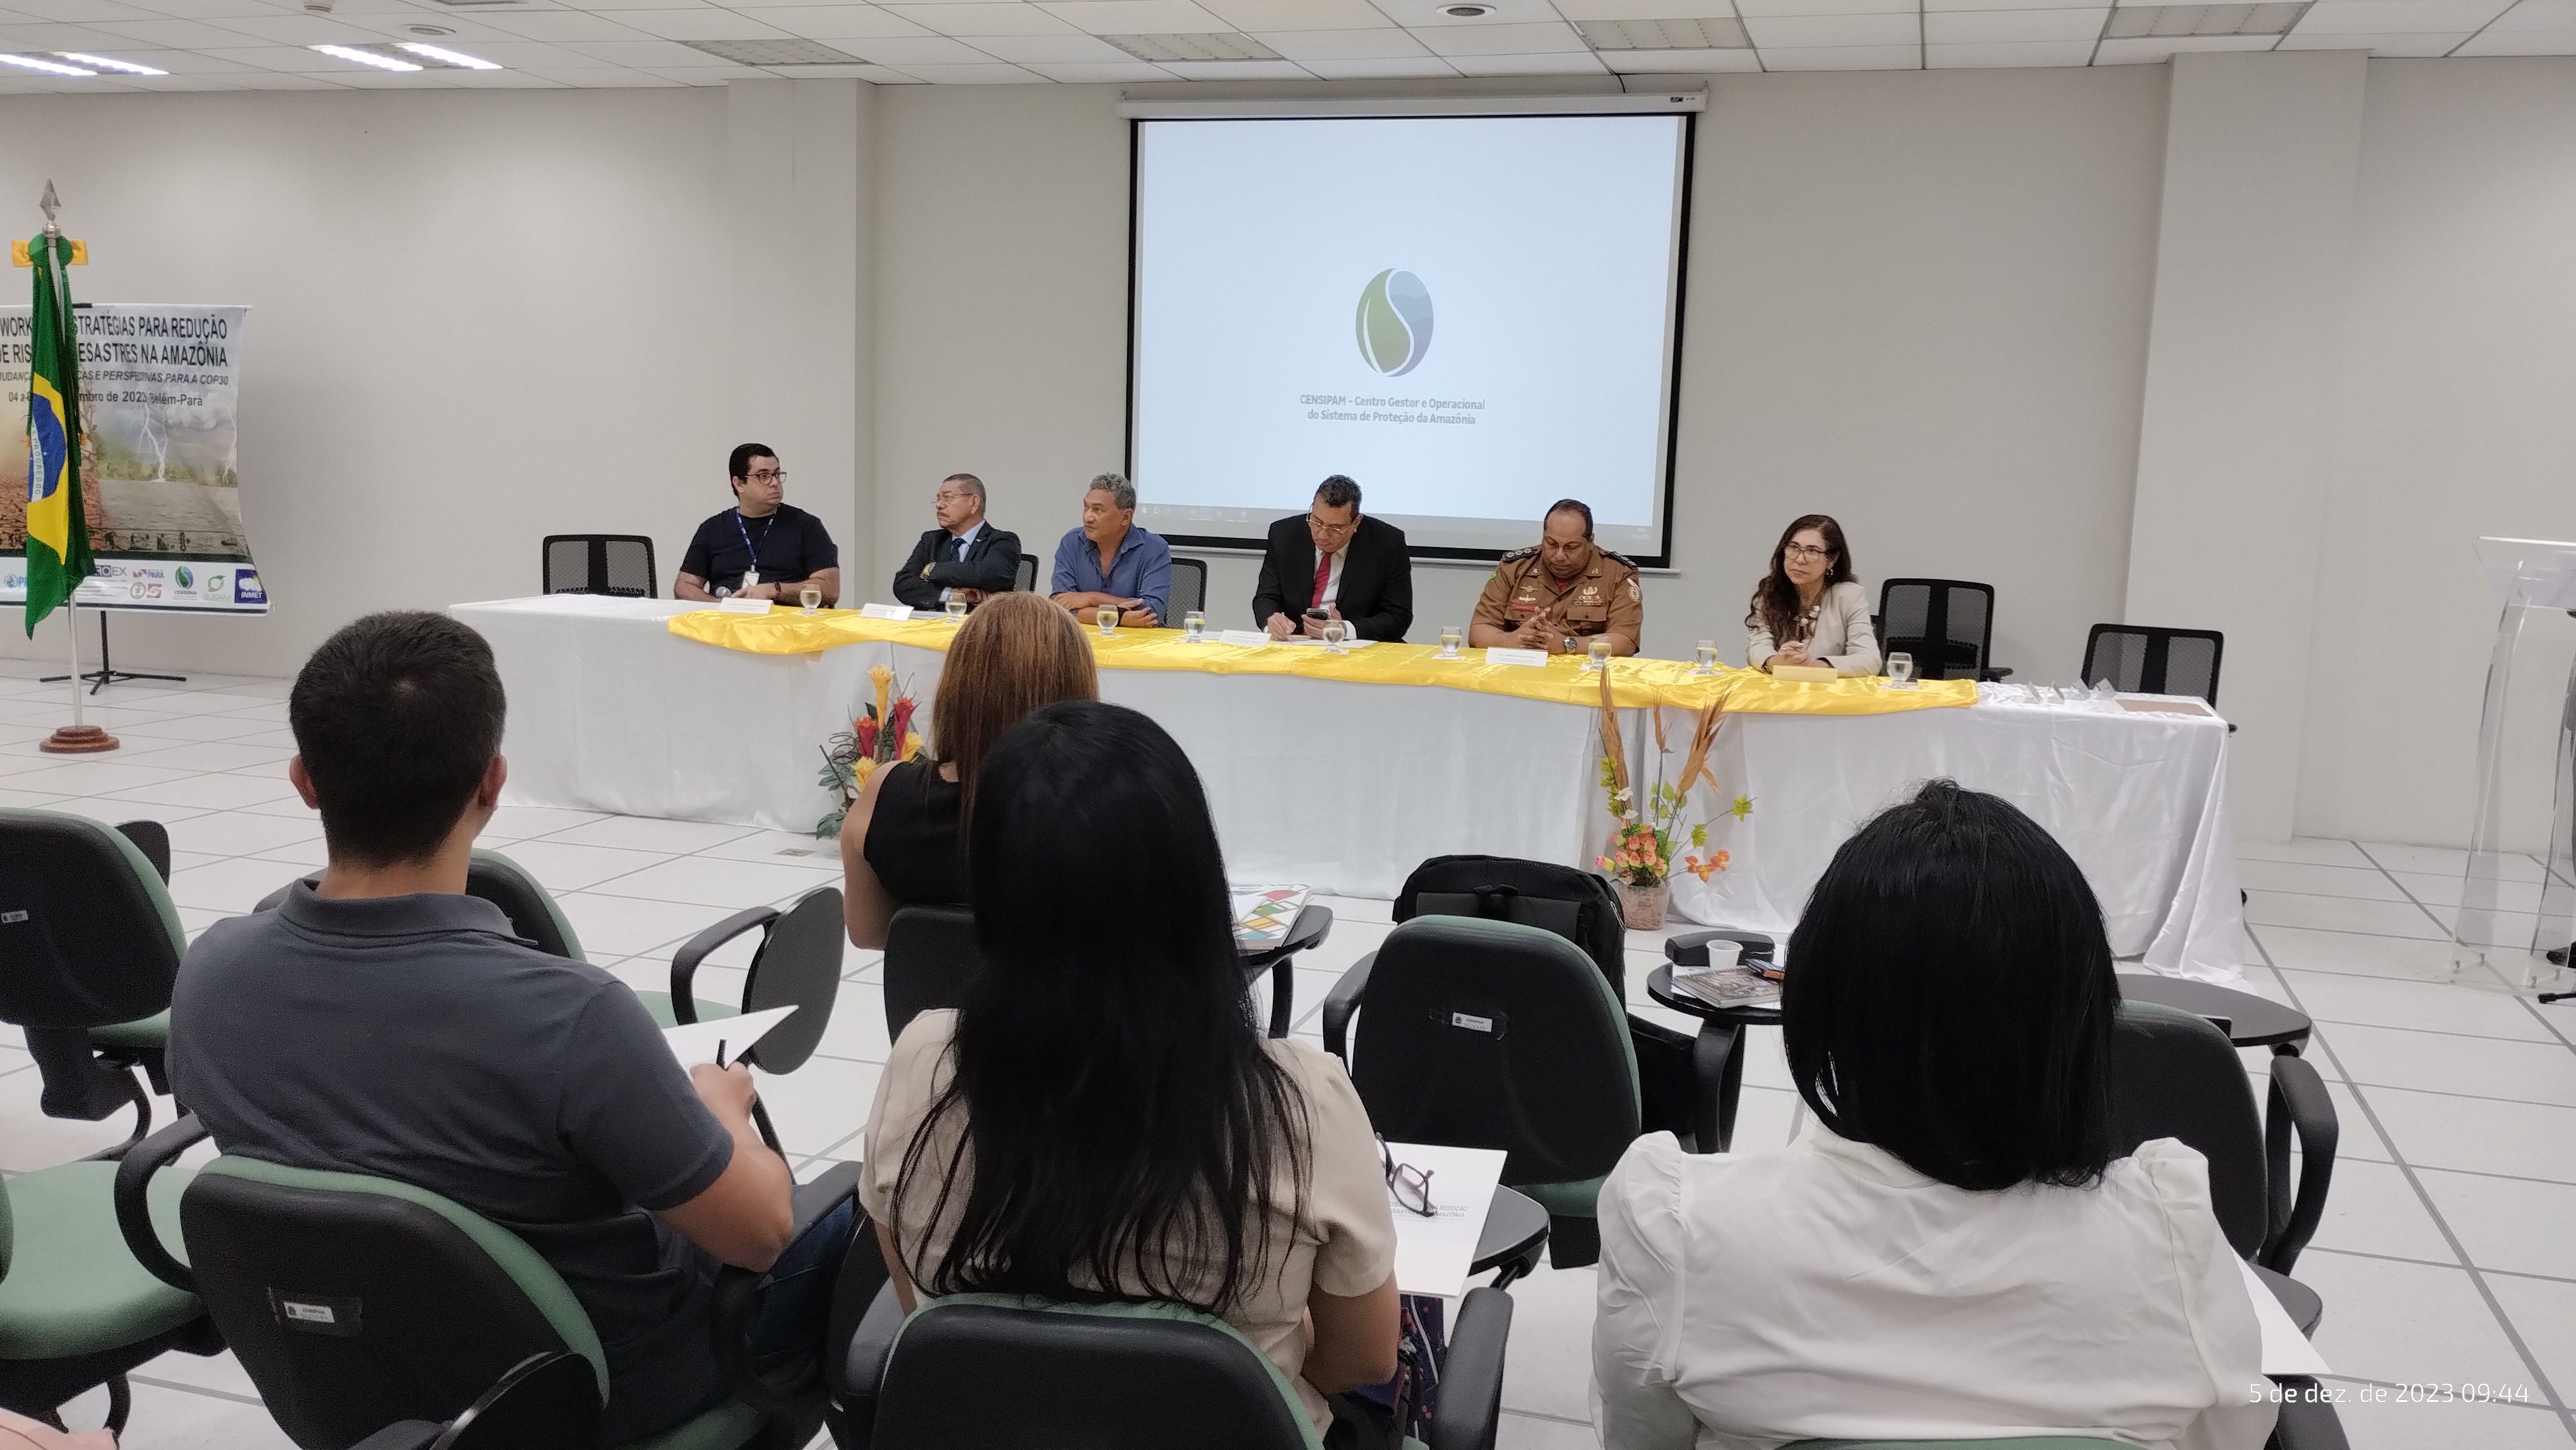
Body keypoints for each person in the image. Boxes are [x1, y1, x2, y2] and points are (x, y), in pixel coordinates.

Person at [168, 613, 850, 1445]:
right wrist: (722, 1110)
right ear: (491, 784)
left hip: (356, 1376)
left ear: (304, 781)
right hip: (604, 1391)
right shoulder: (571, 1019)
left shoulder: (209, 975)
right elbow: (760, 1233)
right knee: (853, 1209)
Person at [1592, 781, 2274, 1450]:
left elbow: (1641, 1438)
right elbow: (2237, 1433)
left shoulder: (1679, 1230)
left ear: (1823, 1011)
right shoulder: (2171, 1235)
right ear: (2083, 1020)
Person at [860, 700, 1400, 1446]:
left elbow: (922, 1306)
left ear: (993, 890)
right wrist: (1271, 1342)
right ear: (1196, 886)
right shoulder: (1303, 1102)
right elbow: (1363, 1359)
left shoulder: (922, 1063)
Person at [838, 591, 1097, 948]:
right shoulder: (1106, 807)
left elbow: (868, 934)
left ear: (956, 687)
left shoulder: (884, 793)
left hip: (932, 985)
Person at [1466, 498, 1642, 656]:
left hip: (1586, 675)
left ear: (1590, 542)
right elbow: (1479, 632)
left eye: (1571, 547)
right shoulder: (1514, 568)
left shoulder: (1618, 573)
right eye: (1551, 544)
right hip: (1522, 671)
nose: (1559, 555)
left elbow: (1625, 642)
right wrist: (1513, 640)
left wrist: (1568, 645)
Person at [1252, 474, 1414, 643]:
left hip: (1354, 647)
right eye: (1317, 522)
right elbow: (1266, 597)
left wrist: (1344, 629)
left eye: (1335, 529)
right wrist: (1271, 620)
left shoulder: (1387, 544)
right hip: (1296, 642)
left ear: (1356, 523)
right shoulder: (1284, 535)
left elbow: (1398, 617)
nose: (1322, 535)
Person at [676, 443, 842, 605]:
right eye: (764, 476)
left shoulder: (807, 526)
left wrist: (776, 590)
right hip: (728, 619)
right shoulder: (713, 529)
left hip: (785, 619)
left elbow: (829, 589)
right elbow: (685, 586)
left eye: (777, 474)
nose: (775, 483)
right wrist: (720, 607)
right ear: (739, 484)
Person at [1745, 513, 1879, 675]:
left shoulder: (1849, 597)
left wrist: (1816, 665)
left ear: (1831, 560)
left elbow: (1870, 660)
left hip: (1828, 690)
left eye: (1812, 551)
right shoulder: (1770, 593)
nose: (1800, 559)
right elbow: (1758, 647)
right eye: (1794, 548)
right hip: (1778, 687)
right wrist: (1775, 662)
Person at [1049, 472, 1172, 630]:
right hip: (1083, 640)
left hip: (1136, 641)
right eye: (1086, 507)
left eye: (1098, 510)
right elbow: (1060, 606)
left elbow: (1151, 612)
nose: (1088, 517)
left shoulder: (1154, 549)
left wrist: (1092, 598)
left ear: (1126, 517)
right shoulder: (1072, 543)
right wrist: (1120, 617)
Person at [891, 472, 1022, 611]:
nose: (939, 505)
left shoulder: (1003, 541)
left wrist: (931, 569)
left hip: (981, 622)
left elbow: (989, 575)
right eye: (938, 499)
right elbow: (903, 585)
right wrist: (952, 595)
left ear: (974, 503)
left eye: (947, 498)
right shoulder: (931, 540)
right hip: (933, 622)